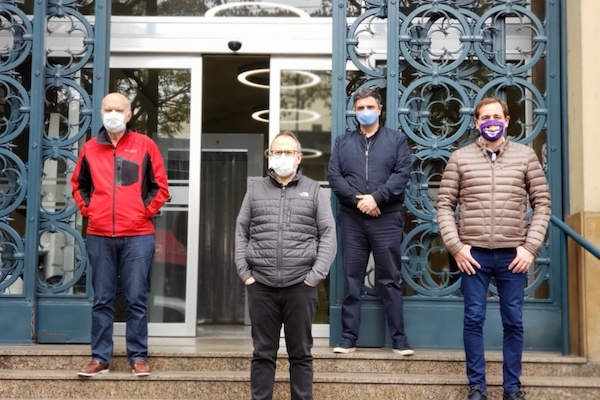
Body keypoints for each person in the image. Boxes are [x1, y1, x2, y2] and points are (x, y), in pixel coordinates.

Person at [436, 97, 551, 400]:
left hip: (514, 255)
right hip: (472, 255)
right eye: (485, 117)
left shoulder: (526, 157)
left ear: (507, 120)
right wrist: (456, 247)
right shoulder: (459, 158)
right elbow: (444, 205)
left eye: (497, 116)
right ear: (476, 122)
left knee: (513, 321)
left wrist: (530, 247)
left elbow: (542, 204)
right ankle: (477, 387)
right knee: (473, 319)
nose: (491, 122)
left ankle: (512, 388)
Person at [71, 92, 170, 378]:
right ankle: (99, 358)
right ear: (101, 113)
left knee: (136, 298)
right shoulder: (90, 148)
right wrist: (89, 210)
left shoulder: (145, 145)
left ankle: (138, 357)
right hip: (100, 234)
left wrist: (143, 212)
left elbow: (161, 187)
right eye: (108, 109)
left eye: (118, 109)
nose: (112, 114)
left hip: (138, 235)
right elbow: (78, 185)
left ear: (129, 115)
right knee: (102, 299)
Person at [235, 131, 336, 400]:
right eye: (276, 152)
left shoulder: (313, 190)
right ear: (269, 156)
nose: (282, 157)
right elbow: (241, 231)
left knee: (300, 354)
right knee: (263, 353)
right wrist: (246, 274)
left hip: (300, 285)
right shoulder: (255, 190)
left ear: (298, 157)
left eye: (288, 152)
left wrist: (314, 276)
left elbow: (328, 234)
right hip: (261, 285)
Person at [328, 87, 413, 355]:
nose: (365, 112)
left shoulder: (396, 140)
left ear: (379, 109)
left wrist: (377, 198)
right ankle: (348, 338)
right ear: (355, 112)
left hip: (387, 218)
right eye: (360, 108)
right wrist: (361, 202)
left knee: (390, 279)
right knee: (351, 278)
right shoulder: (342, 142)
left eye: (370, 107)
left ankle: (399, 340)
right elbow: (334, 177)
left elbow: (402, 173)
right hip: (352, 218)